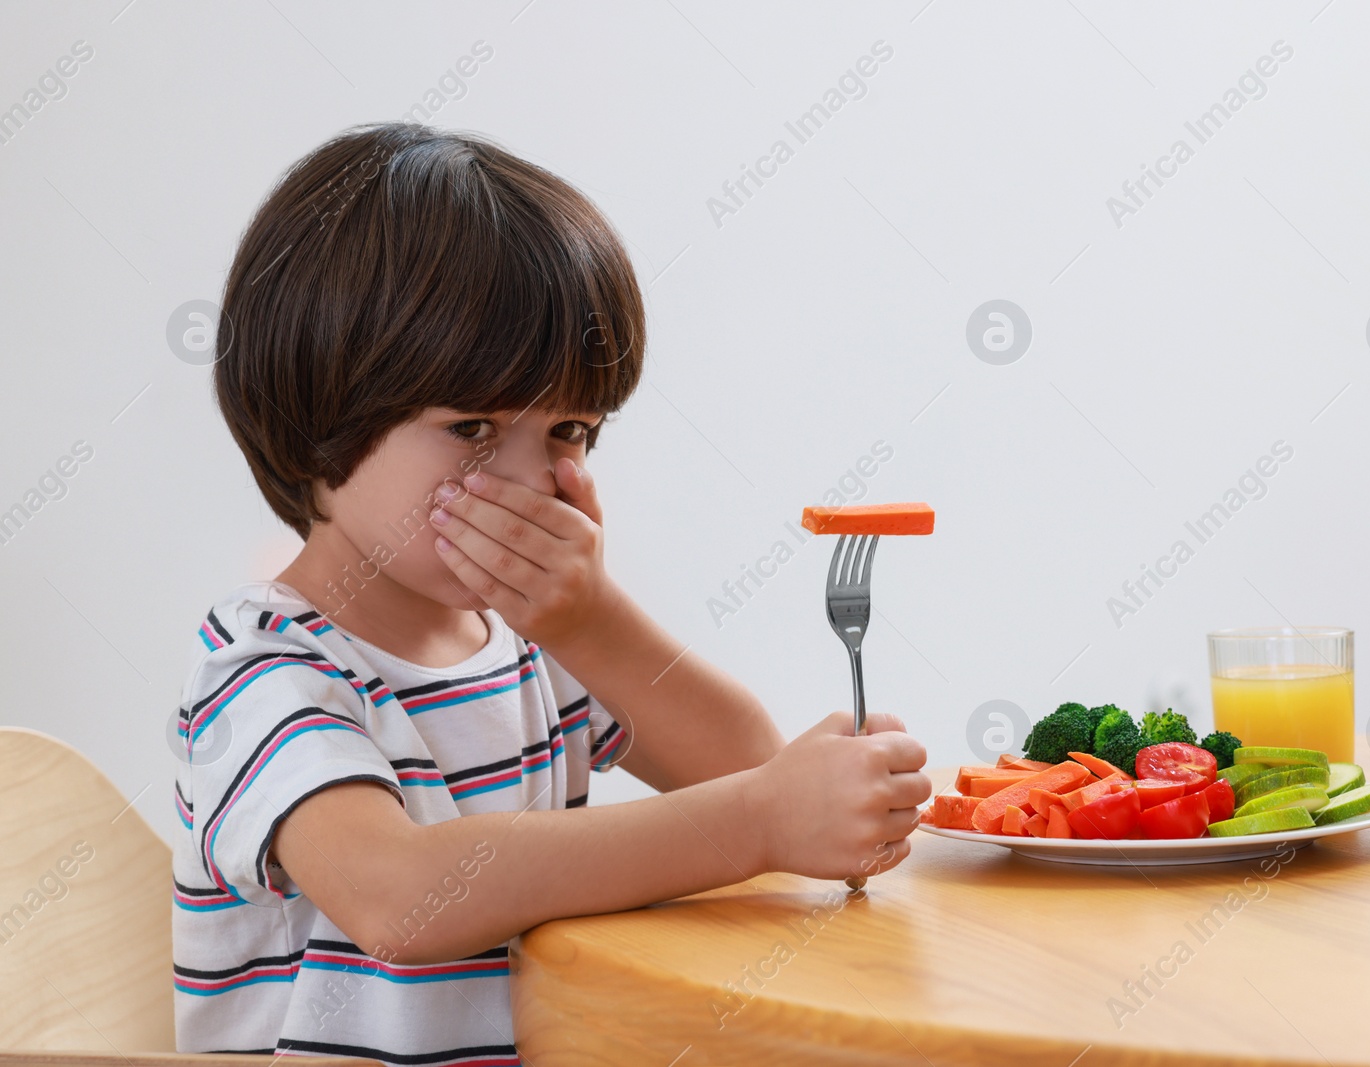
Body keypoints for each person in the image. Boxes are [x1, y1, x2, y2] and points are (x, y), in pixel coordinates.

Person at [171, 121, 930, 1065]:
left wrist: (594, 621)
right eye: (474, 426)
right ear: (317, 411)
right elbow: (403, 896)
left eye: (568, 428)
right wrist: (758, 820)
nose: (532, 479)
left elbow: (738, 763)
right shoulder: (266, 674)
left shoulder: (529, 645)